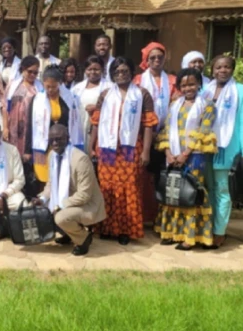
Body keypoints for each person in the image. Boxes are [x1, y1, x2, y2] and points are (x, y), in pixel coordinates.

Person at [90, 57, 157, 245]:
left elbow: (148, 125)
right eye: (117, 72)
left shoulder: (142, 95)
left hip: (130, 149)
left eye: (125, 71)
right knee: (107, 188)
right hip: (106, 149)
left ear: (131, 72)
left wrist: (146, 152)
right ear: (112, 74)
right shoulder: (105, 94)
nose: (121, 74)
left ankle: (125, 230)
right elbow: (95, 122)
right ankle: (105, 227)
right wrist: (91, 146)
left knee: (130, 188)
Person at [155, 68, 217, 250]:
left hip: (194, 157)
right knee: (173, 193)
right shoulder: (174, 105)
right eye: (184, 85)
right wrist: (168, 153)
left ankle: (190, 237)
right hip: (173, 155)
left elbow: (203, 133)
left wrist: (185, 154)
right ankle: (172, 232)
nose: (188, 88)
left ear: (199, 84)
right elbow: (165, 130)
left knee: (190, 192)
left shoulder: (207, 106)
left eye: (191, 84)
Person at [202, 55, 243, 249]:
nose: (222, 71)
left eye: (226, 67)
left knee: (223, 191)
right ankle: (208, 226)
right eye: (218, 67)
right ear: (212, 70)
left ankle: (219, 232)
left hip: (229, 149)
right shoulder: (204, 90)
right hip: (206, 148)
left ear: (232, 69)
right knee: (209, 190)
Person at [34, 124, 106, 256]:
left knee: (60, 217)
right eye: (52, 139)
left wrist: (59, 205)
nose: (55, 143)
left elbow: (84, 195)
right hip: (70, 201)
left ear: (67, 138)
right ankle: (69, 234)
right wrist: (42, 199)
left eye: (59, 139)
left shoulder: (80, 159)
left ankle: (84, 239)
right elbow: (51, 184)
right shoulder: (52, 156)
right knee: (41, 208)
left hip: (87, 204)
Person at [133, 41, 178, 223]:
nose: (156, 60)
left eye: (160, 57)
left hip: (166, 135)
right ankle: (144, 215)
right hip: (142, 135)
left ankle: (161, 216)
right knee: (143, 176)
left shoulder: (173, 81)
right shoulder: (137, 81)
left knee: (162, 176)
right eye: (152, 57)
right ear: (146, 59)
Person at [24, 65, 82, 197]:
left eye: (53, 86)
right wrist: (27, 150)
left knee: (62, 178)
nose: (50, 90)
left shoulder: (70, 99)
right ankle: (44, 210)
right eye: (47, 86)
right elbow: (30, 125)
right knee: (44, 180)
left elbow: (74, 123)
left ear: (60, 83)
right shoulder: (36, 99)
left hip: (62, 146)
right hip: (43, 147)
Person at [5, 56, 43, 164]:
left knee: (28, 158)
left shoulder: (39, 87)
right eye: (30, 71)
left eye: (36, 73)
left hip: (31, 126)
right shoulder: (13, 85)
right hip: (14, 127)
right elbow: (4, 107)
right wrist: (5, 128)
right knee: (13, 157)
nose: (32, 75)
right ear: (23, 69)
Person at [71, 56, 108, 156]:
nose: (92, 72)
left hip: (98, 127)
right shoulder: (77, 88)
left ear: (102, 70)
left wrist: (97, 108)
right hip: (80, 126)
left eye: (96, 69)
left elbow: (113, 108)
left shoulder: (109, 87)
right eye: (89, 69)